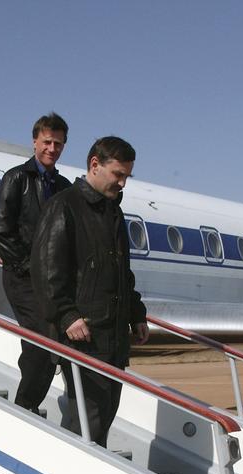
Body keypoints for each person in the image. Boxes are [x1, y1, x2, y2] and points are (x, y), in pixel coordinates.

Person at [31, 136, 149, 446]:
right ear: (95, 165)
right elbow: (46, 270)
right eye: (118, 174)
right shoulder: (64, 206)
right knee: (88, 420)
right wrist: (67, 315)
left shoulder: (113, 212)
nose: (122, 183)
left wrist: (136, 313)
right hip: (84, 337)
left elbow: (121, 273)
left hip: (113, 338)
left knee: (105, 414)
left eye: (126, 176)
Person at [0, 112, 72, 411]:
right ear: (35, 141)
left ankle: (31, 403)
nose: (52, 148)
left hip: (51, 280)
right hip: (21, 277)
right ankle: (25, 406)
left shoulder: (63, 186)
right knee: (42, 341)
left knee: (53, 343)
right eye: (47, 141)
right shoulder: (17, 178)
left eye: (58, 144)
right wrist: (25, 265)